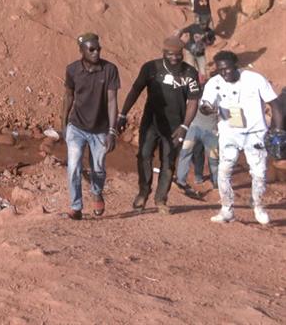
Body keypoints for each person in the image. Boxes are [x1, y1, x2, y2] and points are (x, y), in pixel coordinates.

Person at [118, 37, 200, 213]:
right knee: (144, 156)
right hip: (151, 122)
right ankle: (143, 192)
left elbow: (193, 102)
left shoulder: (190, 73)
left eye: (178, 54)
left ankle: (161, 199)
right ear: (163, 53)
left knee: (168, 162)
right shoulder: (151, 68)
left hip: (175, 127)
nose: (175, 58)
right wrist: (122, 113)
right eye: (171, 54)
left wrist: (184, 127)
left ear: (182, 54)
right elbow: (135, 90)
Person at [201, 51, 283, 224]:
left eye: (228, 69)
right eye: (220, 70)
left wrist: (278, 131)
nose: (224, 74)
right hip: (229, 133)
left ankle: (259, 206)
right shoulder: (214, 83)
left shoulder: (255, 79)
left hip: (255, 133)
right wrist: (207, 108)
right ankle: (226, 209)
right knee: (224, 171)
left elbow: (275, 104)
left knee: (259, 173)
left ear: (236, 65)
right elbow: (205, 105)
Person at [60, 33, 120, 220]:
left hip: (100, 128)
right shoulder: (72, 70)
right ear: (82, 51)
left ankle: (96, 191)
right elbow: (68, 96)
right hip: (76, 126)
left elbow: (112, 101)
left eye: (98, 49)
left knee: (99, 168)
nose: (96, 52)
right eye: (91, 49)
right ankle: (76, 206)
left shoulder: (109, 70)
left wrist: (112, 130)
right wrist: (63, 124)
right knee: (73, 166)